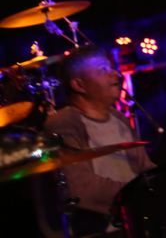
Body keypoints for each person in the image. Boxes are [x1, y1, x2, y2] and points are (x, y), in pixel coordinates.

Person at [43, 45, 154, 234]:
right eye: (103, 70)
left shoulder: (119, 118)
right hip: (104, 230)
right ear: (79, 85)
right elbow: (81, 188)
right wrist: (139, 192)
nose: (115, 74)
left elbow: (144, 167)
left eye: (111, 68)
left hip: (138, 221)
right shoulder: (63, 124)